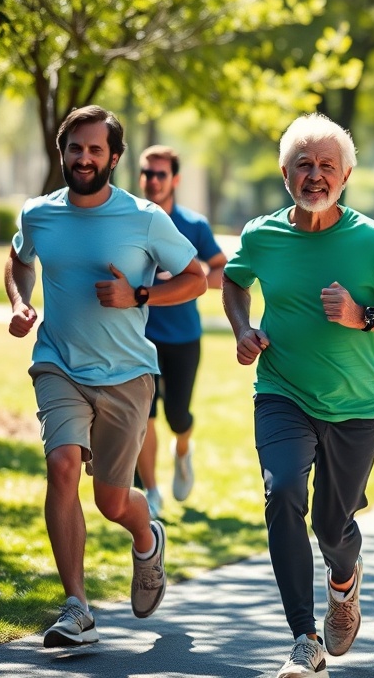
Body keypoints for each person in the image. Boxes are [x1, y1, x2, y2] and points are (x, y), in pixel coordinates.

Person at [221, 113, 374, 678]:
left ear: (345, 176)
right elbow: (234, 280)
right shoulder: (261, 235)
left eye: (326, 166)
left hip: (355, 406)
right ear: (285, 173)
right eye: (304, 165)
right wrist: (243, 329)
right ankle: (304, 638)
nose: (315, 176)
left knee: (332, 528)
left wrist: (364, 315)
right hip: (281, 392)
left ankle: (344, 582)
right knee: (282, 493)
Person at [5, 105, 207, 647]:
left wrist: (139, 294)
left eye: (96, 149)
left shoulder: (144, 218)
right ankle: (77, 608)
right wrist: (21, 302)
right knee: (62, 466)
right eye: (76, 147)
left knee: (112, 501)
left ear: (114, 157)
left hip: (126, 374)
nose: (84, 158)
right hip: (58, 363)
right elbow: (20, 259)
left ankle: (147, 538)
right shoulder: (39, 213)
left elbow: (196, 278)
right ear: (62, 152)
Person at [136, 145, 227, 519]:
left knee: (177, 415)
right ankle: (151, 493)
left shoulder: (193, 225)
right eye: (147, 173)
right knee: (143, 416)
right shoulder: (129, 218)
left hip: (183, 337)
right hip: (139, 337)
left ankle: (183, 450)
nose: (153, 180)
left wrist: (190, 276)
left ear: (175, 180)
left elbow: (222, 271)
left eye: (161, 174)